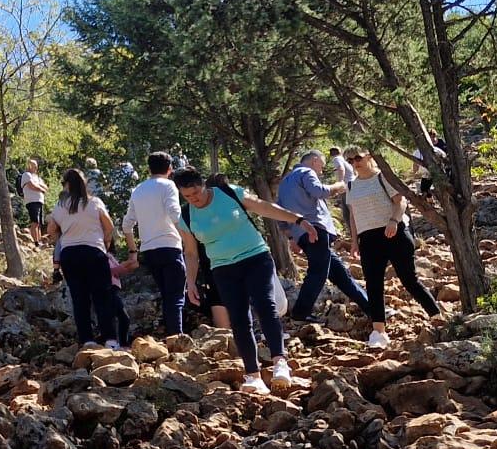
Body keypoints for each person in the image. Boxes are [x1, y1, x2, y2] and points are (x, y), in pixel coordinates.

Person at [173, 169, 306, 395]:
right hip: (223, 269)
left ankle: (279, 363)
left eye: (196, 192)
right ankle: (253, 376)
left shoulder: (228, 193)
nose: (193, 199)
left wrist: (298, 219)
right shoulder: (186, 217)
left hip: (256, 258)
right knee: (239, 319)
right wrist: (191, 282)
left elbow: (263, 206)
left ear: (203, 185)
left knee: (265, 305)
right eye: (187, 196)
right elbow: (192, 253)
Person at [341, 148, 443, 348]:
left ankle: (437, 317)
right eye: (350, 160)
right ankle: (378, 332)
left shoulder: (383, 177)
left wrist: (394, 221)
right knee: (373, 284)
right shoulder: (351, 186)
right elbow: (353, 216)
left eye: (358, 158)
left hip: (394, 232)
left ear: (369, 156)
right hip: (368, 238)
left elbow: (401, 201)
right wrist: (354, 242)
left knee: (409, 279)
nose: (355, 162)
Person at [278, 150, 374, 325]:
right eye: (321, 166)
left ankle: (371, 309)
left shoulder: (284, 182)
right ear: (314, 161)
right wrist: (339, 185)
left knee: (340, 275)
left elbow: (280, 213)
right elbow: (319, 191)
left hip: (302, 234)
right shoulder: (306, 172)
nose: (321, 171)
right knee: (317, 273)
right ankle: (300, 312)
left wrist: (292, 237)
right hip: (316, 230)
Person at [46, 168, 127, 349]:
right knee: (103, 297)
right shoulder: (94, 202)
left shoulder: (60, 206)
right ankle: (110, 340)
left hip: (70, 255)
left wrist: (62, 237)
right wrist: (105, 242)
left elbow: (51, 229)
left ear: (67, 185)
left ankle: (87, 340)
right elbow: (109, 225)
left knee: (79, 298)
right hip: (94, 252)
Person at [119, 151, 188, 335]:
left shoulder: (138, 190)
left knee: (167, 295)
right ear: (170, 169)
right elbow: (175, 214)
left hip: (149, 250)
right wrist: (188, 238)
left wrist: (133, 250)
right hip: (170, 246)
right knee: (176, 296)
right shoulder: (168, 185)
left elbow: (127, 225)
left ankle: (171, 336)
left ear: (148, 169)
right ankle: (177, 337)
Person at [19, 159, 49, 233]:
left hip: (40, 201)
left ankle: (39, 241)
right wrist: (41, 189)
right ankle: (36, 242)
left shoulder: (37, 178)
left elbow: (46, 187)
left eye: (36, 166)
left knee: (39, 223)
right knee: (35, 222)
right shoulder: (26, 175)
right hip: (32, 201)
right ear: (29, 166)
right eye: (34, 166)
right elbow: (31, 185)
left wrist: (39, 185)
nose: (36, 168)